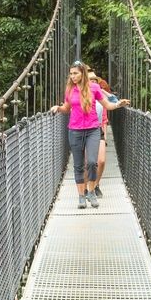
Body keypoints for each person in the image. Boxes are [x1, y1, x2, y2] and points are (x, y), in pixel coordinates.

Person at [50, 62, 125, 208]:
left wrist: (118, 105)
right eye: (71, 74)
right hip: (75, 130)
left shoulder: (95, 87)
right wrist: (58, 108)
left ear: (83, 73)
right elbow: (67, 108)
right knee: (78, 165)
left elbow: (107, 105)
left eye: (75, 73)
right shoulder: (70, 90)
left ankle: (91, 191)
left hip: (92, 130)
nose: (73, 77)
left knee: (92, 162)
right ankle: (81, 197)